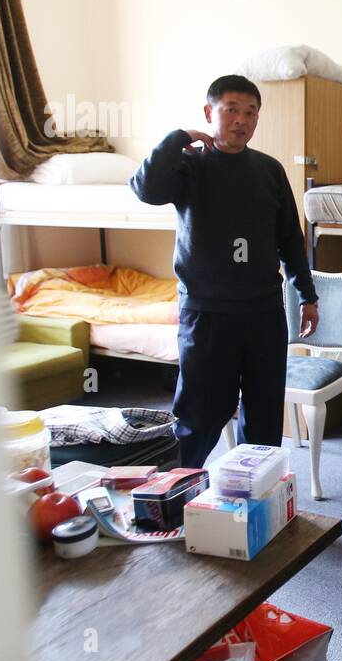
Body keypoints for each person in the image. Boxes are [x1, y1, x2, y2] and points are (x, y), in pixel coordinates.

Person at [130, 75, 319, 469]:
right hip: (208, 314)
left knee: (265, 419)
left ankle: (256, 503)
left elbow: (289, 238)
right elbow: (144, 188)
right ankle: (177, 500)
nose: (242, 120)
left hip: (264, 313)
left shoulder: (269, 170)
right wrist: (177, 137)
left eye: (251, 112)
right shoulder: (188, 165)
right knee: (199, 417)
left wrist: (308, 295)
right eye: (231, 109)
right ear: (209, 113)